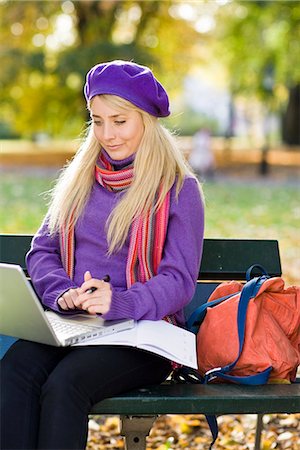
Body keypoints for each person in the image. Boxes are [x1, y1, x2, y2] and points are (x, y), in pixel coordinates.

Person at [1, 60, 204, 450]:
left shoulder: (179, 190)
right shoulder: (80, 179)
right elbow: (42, 250)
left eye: (119, 121)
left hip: (144, 333)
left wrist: (121, 300)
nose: (107, 134)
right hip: (74, 324)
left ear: (145, 119)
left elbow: (178, 281)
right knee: (13, 372)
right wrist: (61, 292)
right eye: (97, 121)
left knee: (65, 386)